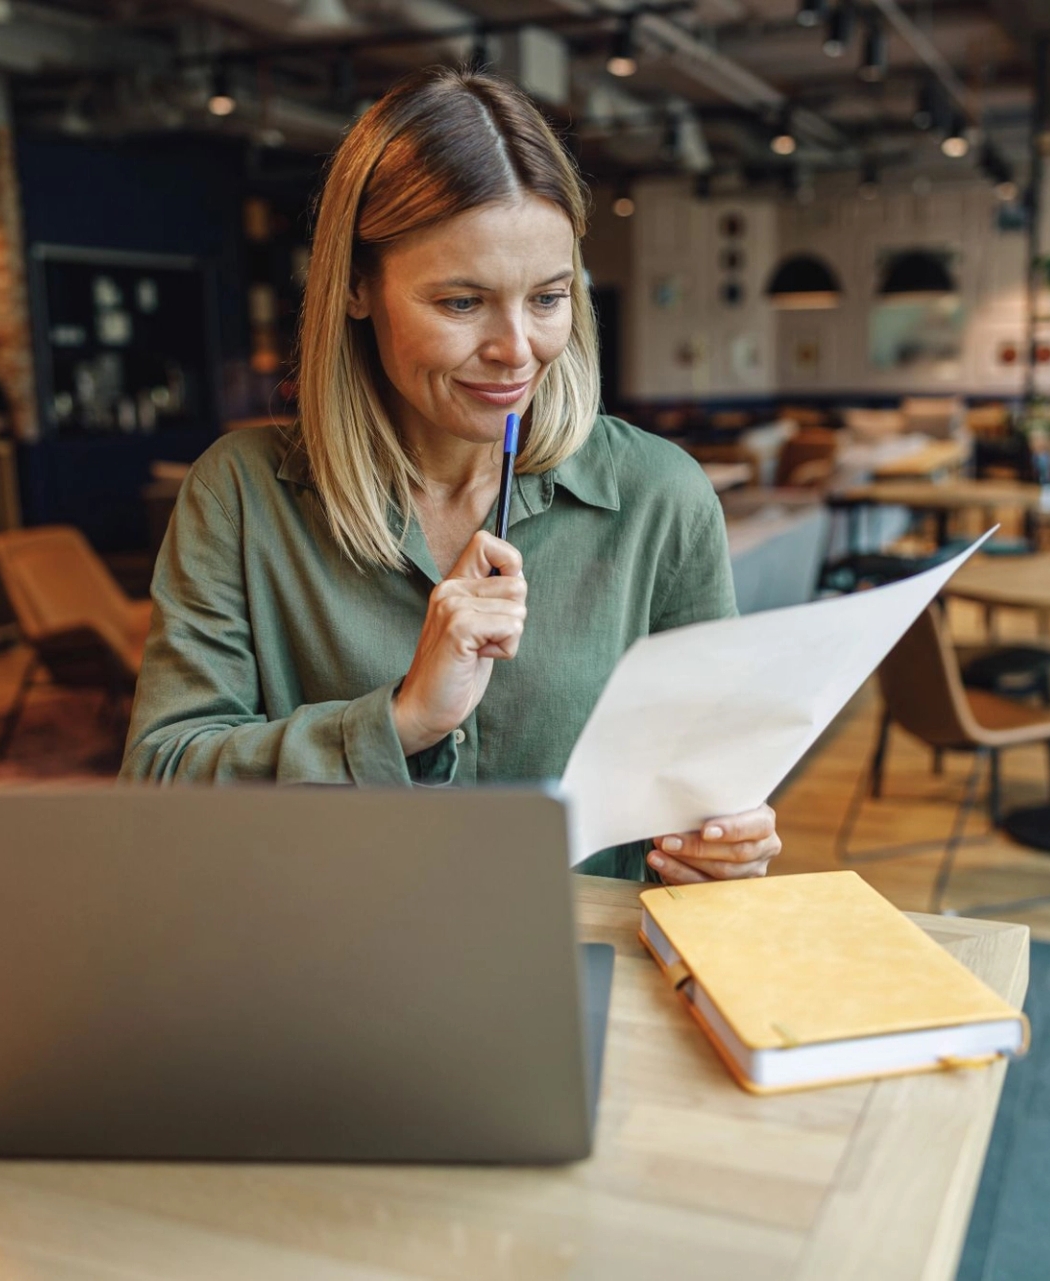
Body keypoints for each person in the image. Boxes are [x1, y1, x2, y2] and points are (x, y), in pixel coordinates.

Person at [120, 66, 782, 884]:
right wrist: (398, 723)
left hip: (584, 974)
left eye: (548, 297)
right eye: (462, 303)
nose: (518, 349)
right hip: (322, 967)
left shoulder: (659, 496)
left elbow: (704, 794)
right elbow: (159, 784)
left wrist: (724, 848)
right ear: (358, 288)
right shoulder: (240, 496)